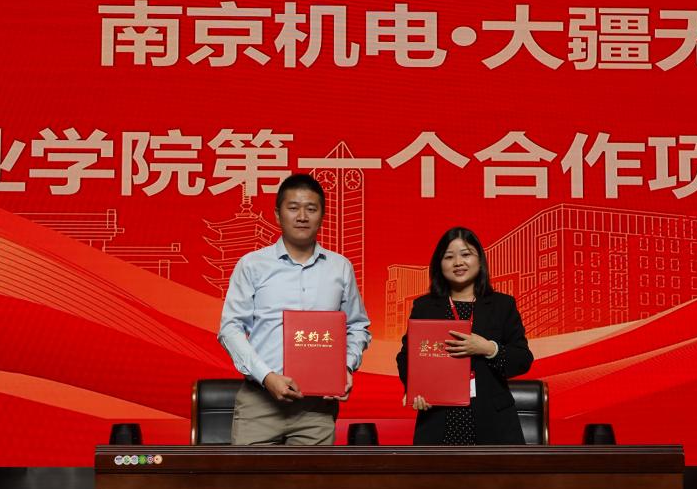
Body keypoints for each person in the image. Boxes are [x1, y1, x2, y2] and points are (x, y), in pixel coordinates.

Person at [218, 174, 371, 445]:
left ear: (322, 216)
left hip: (316, 408)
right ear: (278, 214)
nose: (302, 216)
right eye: (293, 208)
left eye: (311, 209)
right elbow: (230, 329)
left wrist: (345, 367)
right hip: (259, 403)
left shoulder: (340, 268)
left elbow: (357, 326)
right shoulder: (252, 265)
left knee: (311, 475)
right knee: (249, 475)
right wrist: (267, 377)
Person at [396, 226, 534, 445]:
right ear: (439, 265)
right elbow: (406, 357)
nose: (458, 262)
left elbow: (522, 359)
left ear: (480, 260)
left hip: (493, 421)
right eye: (449, 257)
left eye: (466, 254)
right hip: (438, 419)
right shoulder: (425, 307)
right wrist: (415, 389)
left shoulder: (502, 305)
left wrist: (488, 348)